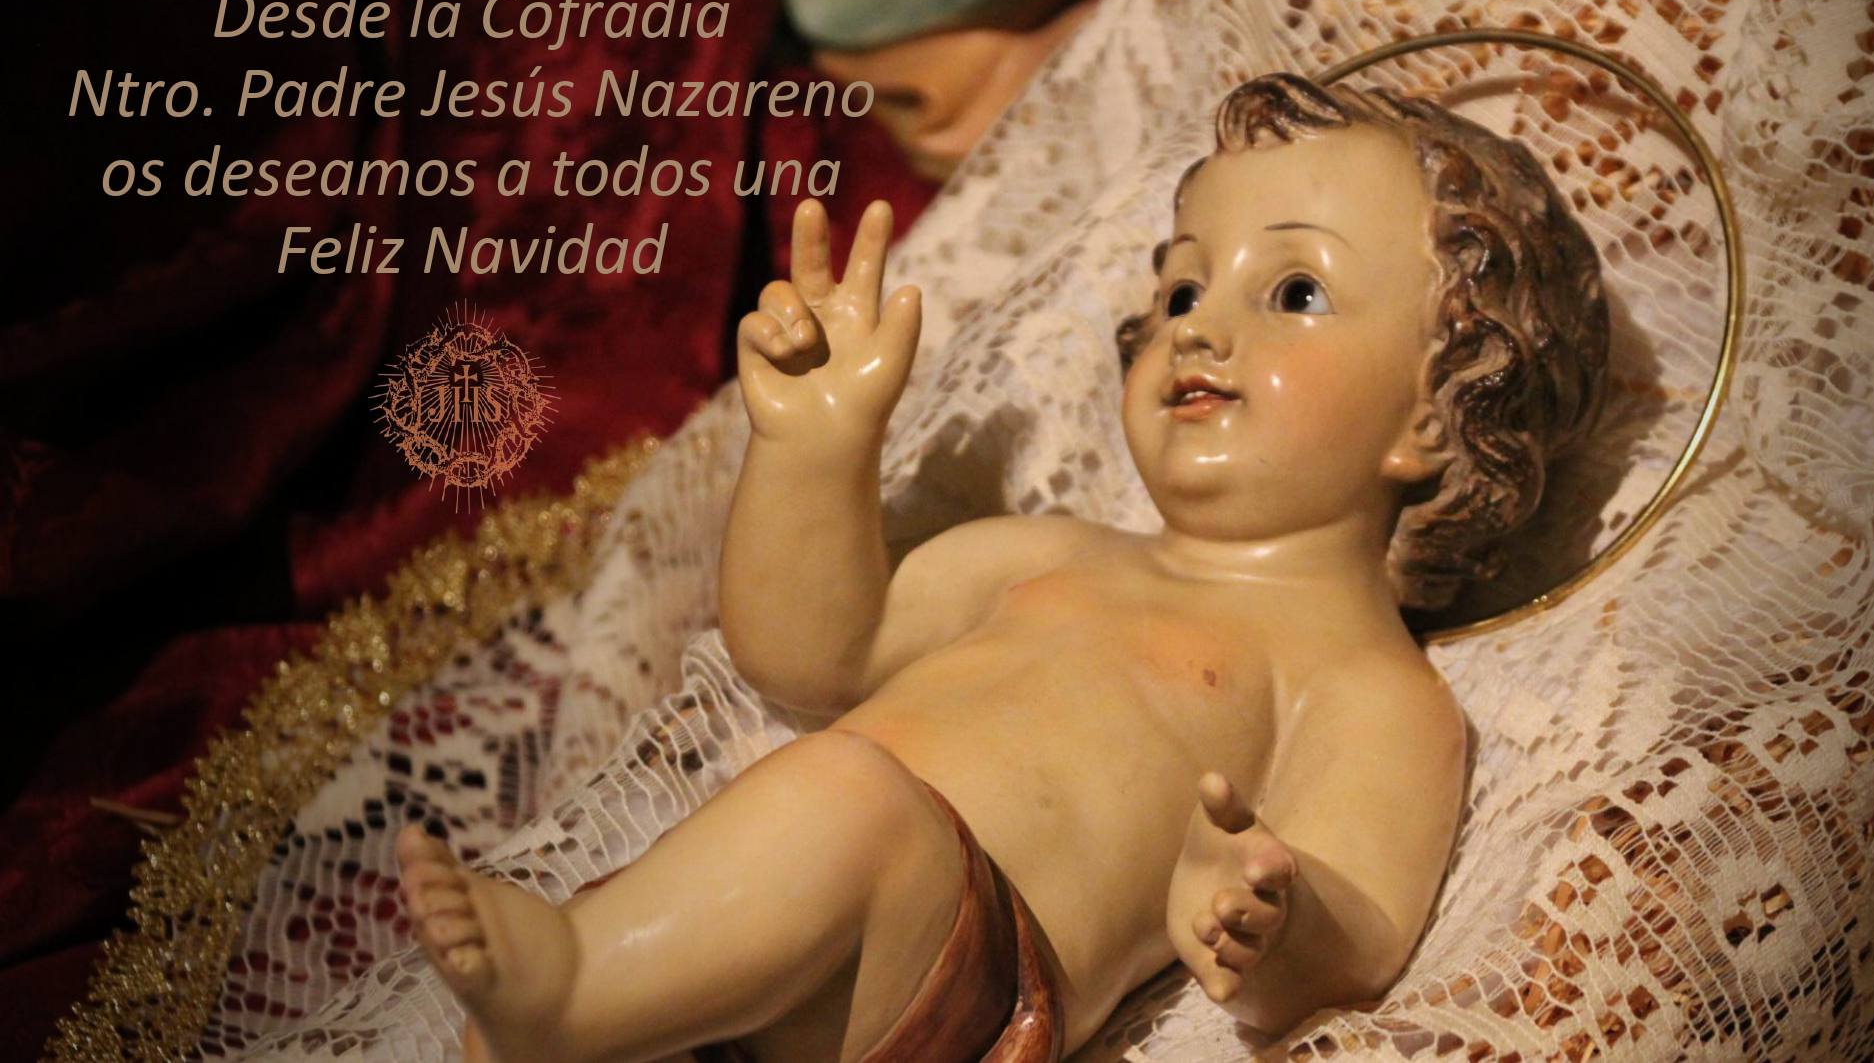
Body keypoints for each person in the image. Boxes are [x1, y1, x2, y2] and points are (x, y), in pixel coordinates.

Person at [395, 73, 1609, 1063]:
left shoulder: (1358, 680)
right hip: (745, 936)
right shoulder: (1046, 554)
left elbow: (1359, 937)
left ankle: (569, 991)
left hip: (947, 984)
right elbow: (813, 655)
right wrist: (814, 450)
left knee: (847, 794)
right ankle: (588, 998)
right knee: (826, 794)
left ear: (1436, 413)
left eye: (1293, 291)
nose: (1196, 323)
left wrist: (1264, 914)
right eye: (1182, 285)